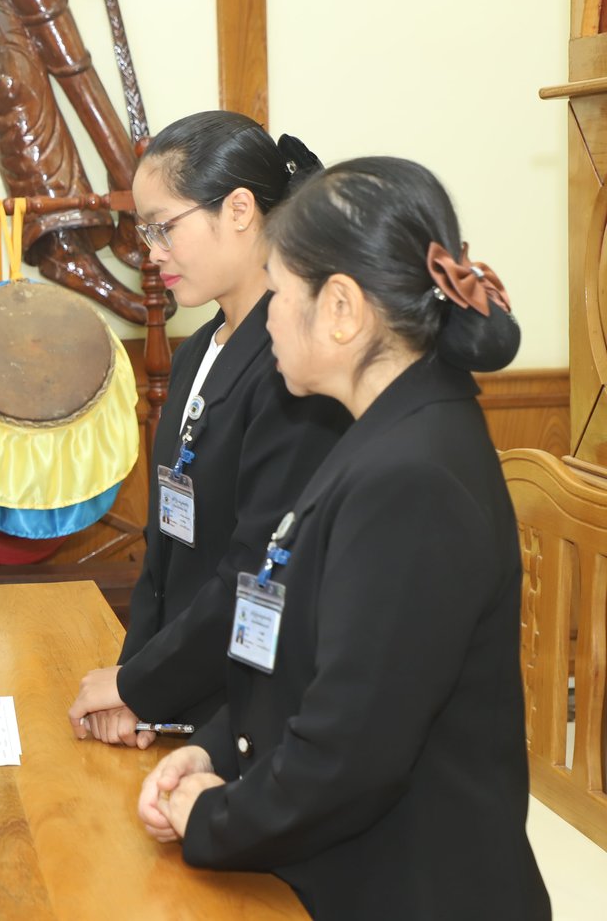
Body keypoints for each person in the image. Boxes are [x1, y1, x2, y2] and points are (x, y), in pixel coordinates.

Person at [137, 157, 549, 919]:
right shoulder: (379, 429)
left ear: (341, 309)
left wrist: (212, 815)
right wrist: (215, 748)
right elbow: (301, 657)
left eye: (278, 292)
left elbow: (350, 754)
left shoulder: (413, 479)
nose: (266, 318)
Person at [67, 112, 350, 747]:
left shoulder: (294, 366)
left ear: (240, 209)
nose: (152, 252)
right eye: (145, 232)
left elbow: (258, 571)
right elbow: (164, 551)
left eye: (165, 227)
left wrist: (141, 687)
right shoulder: (196, 350)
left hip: (250, 711)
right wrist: (133, 682)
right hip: (179, 692)